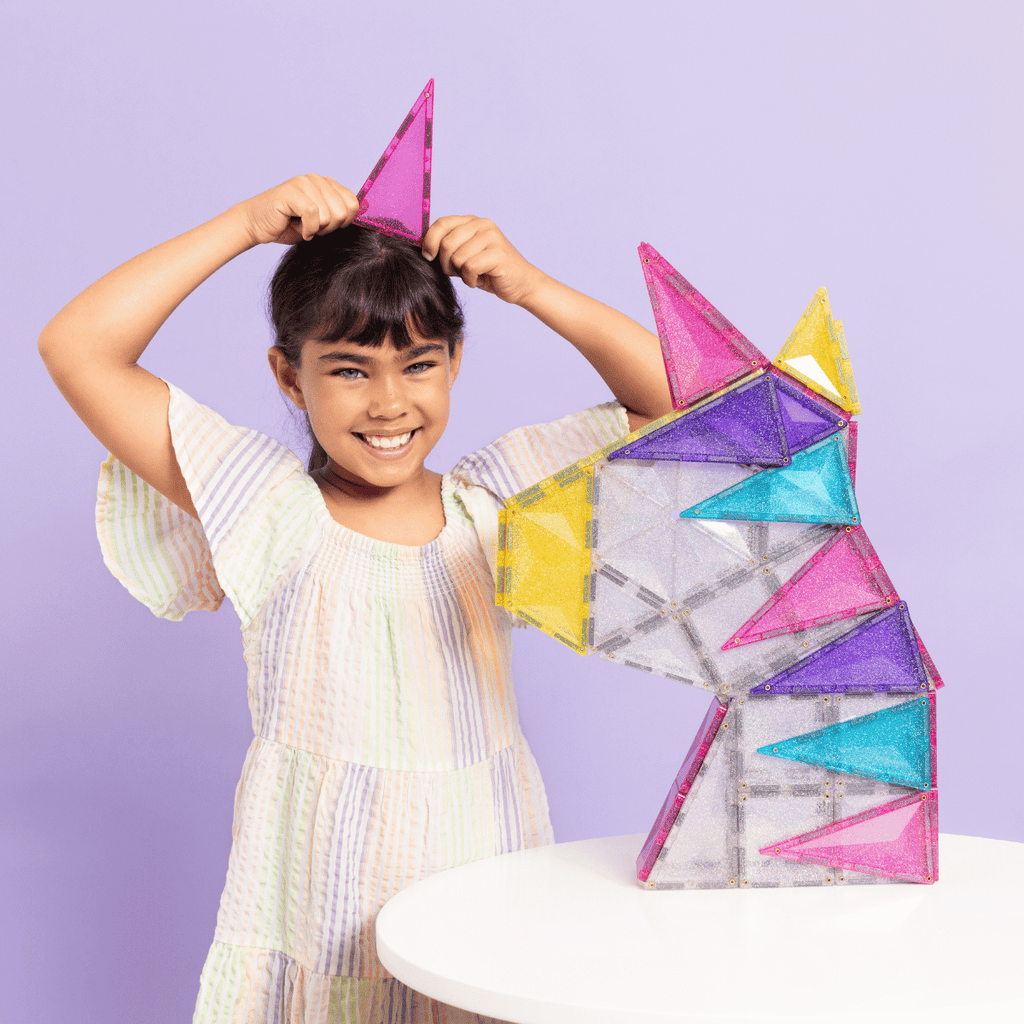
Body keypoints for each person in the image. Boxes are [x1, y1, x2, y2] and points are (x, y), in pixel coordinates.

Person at [38, 173, 673, 1023]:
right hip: (318, 911)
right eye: (349, 369)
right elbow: (77, 346)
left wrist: (533, 288)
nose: (389, 403)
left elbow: (690, 406)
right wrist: (243, 224)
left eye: (420, 365)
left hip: (478, 894)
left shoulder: (497, 506)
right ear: (289, 378)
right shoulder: (266, 509)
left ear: (454, 365)